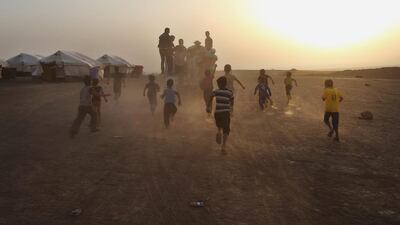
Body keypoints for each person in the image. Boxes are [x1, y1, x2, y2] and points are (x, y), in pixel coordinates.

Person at [207, 76, 234, 154]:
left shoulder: (216, 91)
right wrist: (231, 109)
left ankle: (219, 131)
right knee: (226, 129)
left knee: (219, 125)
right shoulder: (229, 92)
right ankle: (223, 146)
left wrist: (209, 106)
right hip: (225, 112)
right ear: (225, 84)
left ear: (219, 84)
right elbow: (232, 101)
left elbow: (211, 97)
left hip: (217, 113)